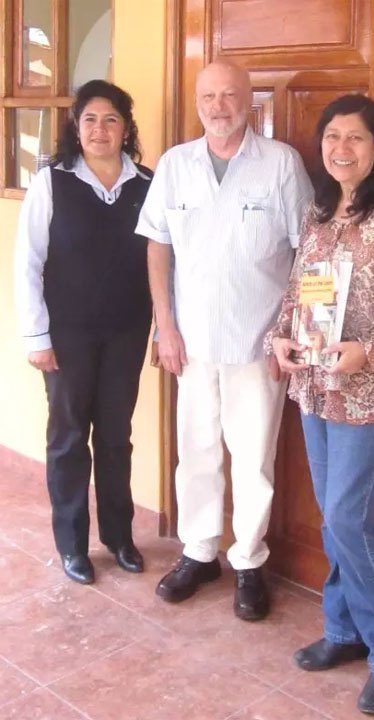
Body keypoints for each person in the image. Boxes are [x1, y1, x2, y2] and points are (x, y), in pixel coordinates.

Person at [268, 94, 374, 714]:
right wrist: (283, 337)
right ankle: (343, 631)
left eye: (355, 138)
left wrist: (369, 350)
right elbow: (300, 288)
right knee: (337, 514)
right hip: (316, 385)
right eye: (332, 137)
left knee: (347, 519)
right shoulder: (321, 209)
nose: (340, 148)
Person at [136, 61, 313, 621]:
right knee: (196, 453)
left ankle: (249, 562)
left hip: (260, 343)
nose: (219, 105)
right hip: (189, 342)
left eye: (229, 95)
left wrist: (290, 332)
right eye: (208, 96)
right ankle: (198, 551)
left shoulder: (280, 164)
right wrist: (164, 325)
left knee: (253, 459)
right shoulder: (175, 165)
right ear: (196, 102)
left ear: (248, 101)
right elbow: (157, 245)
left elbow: (308, 252)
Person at [15, 80, 153, 585]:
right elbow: (28, 261)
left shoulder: (147, 185)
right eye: (91, 119)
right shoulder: (52, 182)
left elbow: (163, 263)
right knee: (70, 437)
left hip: (127, 332)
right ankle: (72, 544)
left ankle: (119, 537)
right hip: (66, 336)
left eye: (111, 119)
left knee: (116, 437)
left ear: (125, 128)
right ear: (77, 127)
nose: (100, 129)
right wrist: (37, 337)